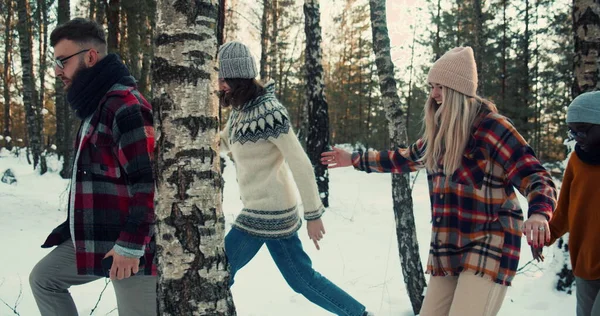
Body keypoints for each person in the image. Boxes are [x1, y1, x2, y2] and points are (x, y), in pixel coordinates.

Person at [321, 47, 557, 316]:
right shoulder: (441, 132)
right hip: (449, 244)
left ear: (458, 91)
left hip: (490, 243)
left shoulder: (493, 127)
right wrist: (353, 159)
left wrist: (539, 214)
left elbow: (537, 177)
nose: (433, 94)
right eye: (432, 87)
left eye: (440, 87)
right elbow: (403, 158)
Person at [218, 41, 372, 316]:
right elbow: (225, 142)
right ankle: (359, 314)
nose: (219, 84)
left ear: (237, 78)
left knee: (218, 271)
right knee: (302, 279)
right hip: (264, 209)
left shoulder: (270, 111)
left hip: (267, 211)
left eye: (223, 78)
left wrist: (313, 214)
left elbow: (299, 162)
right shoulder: (240, 111)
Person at [29, 18, 156, 316]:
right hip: (95, 237)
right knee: (44, 279)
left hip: (132, 248)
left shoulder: (126, 106)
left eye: (63, 61)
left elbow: (149, 184)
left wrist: (130, 246)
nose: (58, 71)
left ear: (90, 57)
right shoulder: (95, 108)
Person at [532, 91, 600, 316]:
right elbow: (564, 210)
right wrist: (545, 237)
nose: (576, 137)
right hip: (585, 262)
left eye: (582, 130)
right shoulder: (577, 161)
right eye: (572, 131)